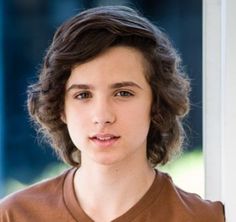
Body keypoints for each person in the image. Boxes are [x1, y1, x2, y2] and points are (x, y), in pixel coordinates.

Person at [0, 5, 225, 222]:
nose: (102, 116)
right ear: (61, 109)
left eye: (123, 93)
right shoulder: (13, 215)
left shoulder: (205, 218)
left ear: (156, 104)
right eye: (83, 95)